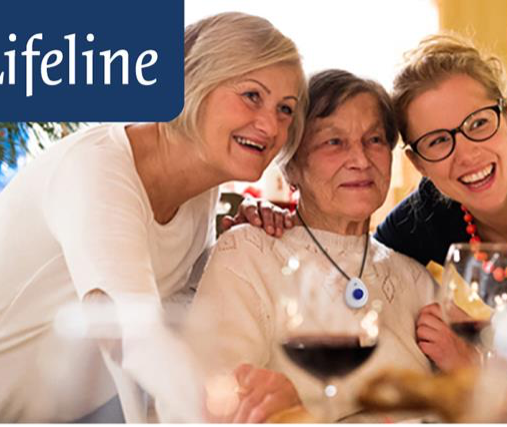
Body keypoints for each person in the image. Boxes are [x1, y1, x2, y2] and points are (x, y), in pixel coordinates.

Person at [0, 12, 306, 424]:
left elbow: (178, 303)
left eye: (285, 109)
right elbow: (134, 335)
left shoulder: (199, 185)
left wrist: (239, 237)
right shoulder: (97, 171)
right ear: (194, 80)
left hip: (80, 412)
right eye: (251, 96)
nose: (270, 124)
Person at [230, 33, 507, 370]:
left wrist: (478, 367)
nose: (466, 153)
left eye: (478, 123)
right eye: (437, 141)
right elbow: (349, 251)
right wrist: (281, 216)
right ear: (417, 162)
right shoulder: (421, 223)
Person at [185, 69, 439, 423]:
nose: (361, 160)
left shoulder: (415, 279)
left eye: (375, 140)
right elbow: (214, 405)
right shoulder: (247, 252)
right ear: (290, 166)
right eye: (333, 142)